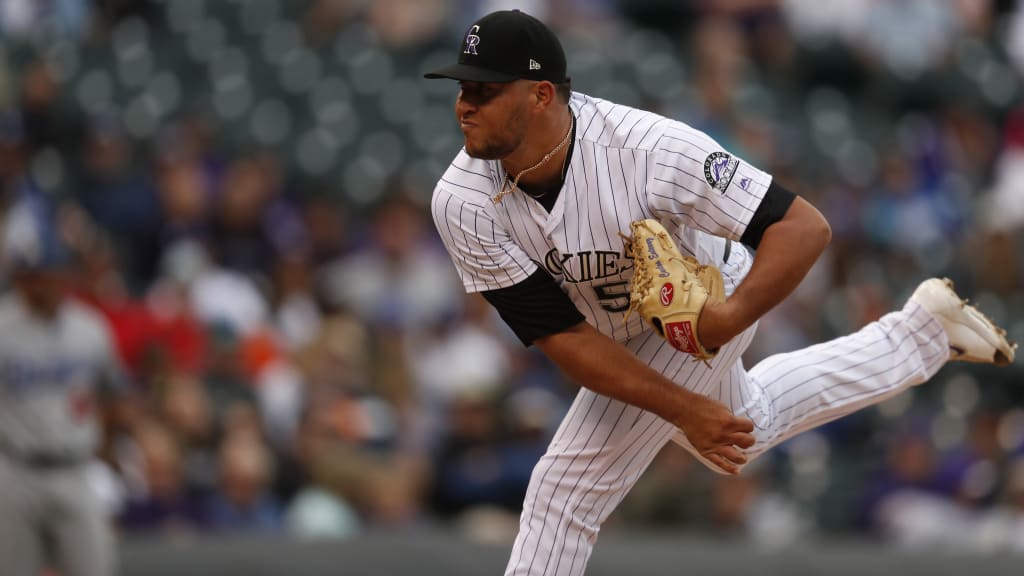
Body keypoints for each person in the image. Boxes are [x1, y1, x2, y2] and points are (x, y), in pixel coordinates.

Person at [424, 9, 1017, 576]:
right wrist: (685, 409)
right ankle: (923, 333)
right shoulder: (462, 202)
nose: (464, 105)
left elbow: (804, 227)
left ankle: (915, 336)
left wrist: (723, 321)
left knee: (564, 490)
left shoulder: (649, 149)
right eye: (462, 89)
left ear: (541, 95)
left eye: (484, 91)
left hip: (705, 302)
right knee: (741, 427)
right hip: (611, 330)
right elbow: (564, 338)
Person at [0, 195, 123, 576]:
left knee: (95, 568)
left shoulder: (89, 328)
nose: (48, 284)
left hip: (74, 468)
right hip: (14, 468)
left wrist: (107, 453)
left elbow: (113, 394)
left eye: (53, 273)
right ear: (23, 279)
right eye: (38, 276)